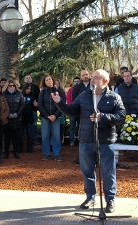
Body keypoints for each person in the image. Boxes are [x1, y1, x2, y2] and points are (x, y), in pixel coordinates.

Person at [51, 69, 126, 213]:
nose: (92, 80)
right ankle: (90, 197)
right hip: (86, 139)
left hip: (105, 140)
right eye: (92, 77)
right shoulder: (84, 95)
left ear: (105, 82)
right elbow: (71, 111)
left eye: (96, 78)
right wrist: (60, 103)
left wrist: (102, 117)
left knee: (108, 171)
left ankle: (110, 200)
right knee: (87, 171)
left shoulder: (114, 97)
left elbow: (121, 116)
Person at [38, 75, 65, 162]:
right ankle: (47, 153)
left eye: (50, 79)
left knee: (56, 135)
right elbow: (40, 105)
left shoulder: (60, 92)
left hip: (55, 117)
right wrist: (47, 116)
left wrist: (55, 115)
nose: (49, 81)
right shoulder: (42, 92)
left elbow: (62, 105)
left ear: (53, 80)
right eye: (46, 80)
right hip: (45, 117)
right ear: (44, 83)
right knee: (45, 135)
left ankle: (56, 153)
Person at [71, 70, 91, 164]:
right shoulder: (77, 87)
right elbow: (75, 100)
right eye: (83, 75)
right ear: (81, 77)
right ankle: (81, 157)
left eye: (86, 74)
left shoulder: (94, 85)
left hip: (93, 114)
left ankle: (94, 157)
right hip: (81, 114)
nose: (85, 76)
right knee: (81, 135)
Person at [2, 80, 25, 159]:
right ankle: (6, 152)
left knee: (16, 137)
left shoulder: (19, 94)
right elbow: (2, 107)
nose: (12, 87)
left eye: (13, 86)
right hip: (7, 120)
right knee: (7, 138)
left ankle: (16, 152)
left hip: (17, 119)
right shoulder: (3, 95)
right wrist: (7, 115)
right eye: (10, 86)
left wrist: (17, 114)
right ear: (7, 86)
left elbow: (22, 105)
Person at [21, 75, 40, 145]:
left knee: (34, 125)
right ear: (24, 80)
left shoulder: (36, 87)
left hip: (33, 109)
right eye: (26, 78)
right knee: (23, 127)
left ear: (31, 79)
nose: (28, 79)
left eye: (29, 78)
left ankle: (34, 139)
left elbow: (39, 97)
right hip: (23, 111)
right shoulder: (21, 88)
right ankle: (24, 141)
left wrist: (37, 105)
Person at [21, 83, 37, 153]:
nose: (29, 90)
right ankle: (20, 148)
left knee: (30, 134)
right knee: (21, 134)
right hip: (21, 118)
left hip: (29, 118)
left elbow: (34, 109)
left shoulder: (32, 97)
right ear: (24, 89)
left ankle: (30, 148)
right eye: (27, 89)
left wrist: (35, 106)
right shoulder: (20, 96)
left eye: (30, 89)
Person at [66, 77, 80, 147]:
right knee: (72, 127)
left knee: (80, 127)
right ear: (73, 82)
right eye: (75, 81)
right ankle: (72, 140)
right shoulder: (70, 90)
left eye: (78, 81)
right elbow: (68, 101)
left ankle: (81, 140)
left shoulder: (81, 90)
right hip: (73, 111)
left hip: (81, 112)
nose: (76, 82)